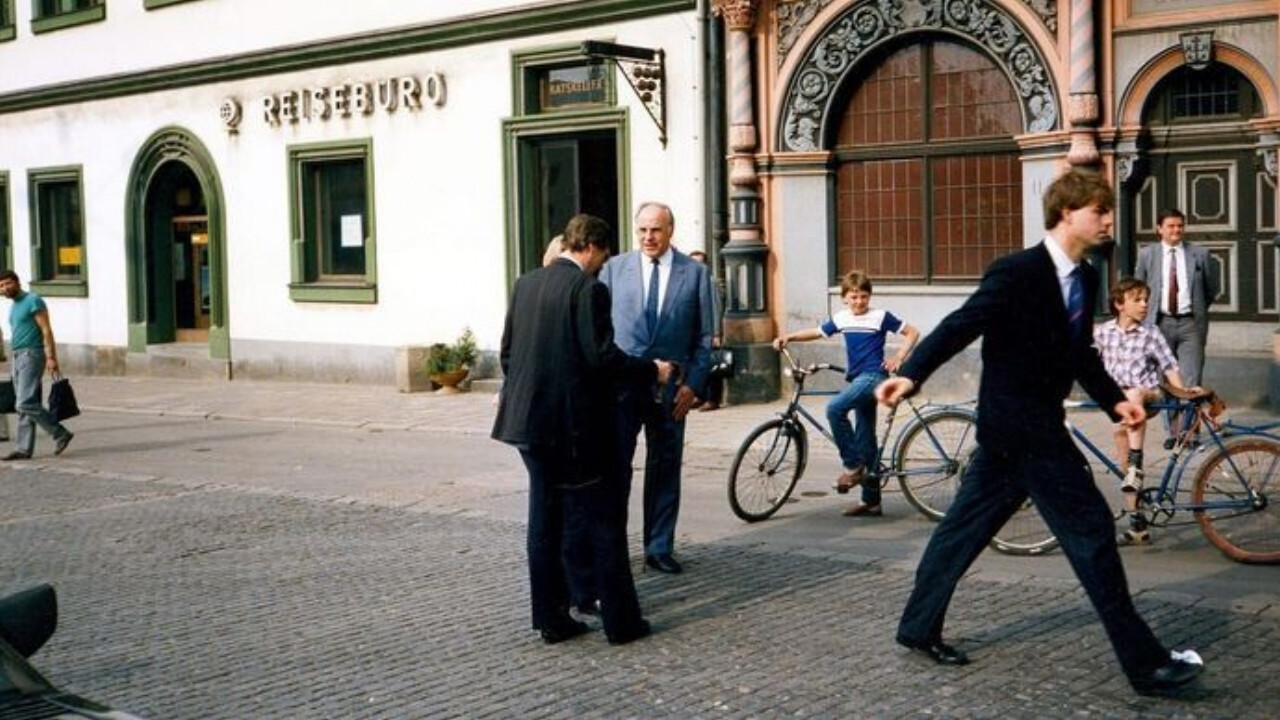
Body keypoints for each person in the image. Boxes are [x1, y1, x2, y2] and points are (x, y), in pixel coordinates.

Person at [876, 170, 1203, 696]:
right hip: (1023, 428)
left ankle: (917, 626)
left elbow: (1080, 354)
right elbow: (961, 324)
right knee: (1093, 531)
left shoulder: (1087, 277)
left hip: (1019, 433)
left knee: (962, 530)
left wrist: (1115, 401)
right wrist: (911, 374)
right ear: (1067, 213)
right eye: (1100, 211)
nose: (1109, 220)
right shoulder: (1017, 271)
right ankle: (1146, 665)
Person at [492, 214, 670, 646]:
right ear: (590, 247)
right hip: (574, 431)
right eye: (602, 257)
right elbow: (602, 357)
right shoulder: (588, 289)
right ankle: (622, 623)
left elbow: (508, 354)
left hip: (527, 425)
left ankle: (551, 619)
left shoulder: (526, 284)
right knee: (603, 519)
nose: (601, 266)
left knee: (543, 522)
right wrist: (652, 370)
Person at [599, 202, 715, 575]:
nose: (648, 237)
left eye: (656, 230)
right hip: (624, 387)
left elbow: (705, 337)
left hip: (673, 390)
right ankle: (613, 546)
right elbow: (600, 330)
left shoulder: (695, 274)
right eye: (642, 230)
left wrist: (694, 385)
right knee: (617, 467)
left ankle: (659, 546)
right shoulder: (614, 270)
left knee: (665, 466)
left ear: (670, 231)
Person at [773, 270, 918, 517]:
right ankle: (871, 501)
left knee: (834, 408)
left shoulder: (880, 316)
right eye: (854, 297)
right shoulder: (842, 318)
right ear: (845, 299)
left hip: (873, 377)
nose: (859, 301)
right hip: (858, 379)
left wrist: (899, 357)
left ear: (869, 296)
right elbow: (817, 332)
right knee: (865, 438)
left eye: (863, 296)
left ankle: (853, 466)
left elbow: (912, 332)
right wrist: (789, 337)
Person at [1094, 277, 1199, 545]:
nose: (1144, 305)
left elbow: (1169, 365)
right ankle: (1137, 525)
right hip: (1120, 405)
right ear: (1119, 304)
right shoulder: (1103, 332)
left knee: (1135, 395)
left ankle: (1137, 462)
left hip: (1148, 395)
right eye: (1137, 300)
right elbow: (1086, 363)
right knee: (1125, 466)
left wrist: (1183, 391)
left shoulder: (1151, 332)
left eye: (1146, 300)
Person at [1134, 209, 1217, 388]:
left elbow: (1210, 289)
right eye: (1170, 226)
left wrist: (1197, 308)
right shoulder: (1147, 254)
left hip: (1191, 325)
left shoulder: (1200, 254)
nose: (1176, 230)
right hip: (1159, 323)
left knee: (1191, 380)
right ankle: (1169, 408)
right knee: (1162, 380)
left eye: (1180, 226)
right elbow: (1138, 290)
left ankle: (1188, 407)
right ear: (1159, 229)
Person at [0, 270, 73, 461]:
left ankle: (60, 433)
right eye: (1, 286)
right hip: (17, 356)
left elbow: (46, 330)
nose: (5, 288)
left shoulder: (33, 300)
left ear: (17, 282)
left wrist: (51, 357)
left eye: (8, 283)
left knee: (24, 402)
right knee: (24, 404)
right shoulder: (14, 306)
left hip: (32, 354)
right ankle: (23, 449)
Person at [688, 250, 724, 412]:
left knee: (713, 366)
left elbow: (716, 309)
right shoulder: (690, 282)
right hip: (695, 331)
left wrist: (716, 333)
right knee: (698, 365)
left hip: (708, 331)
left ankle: (712, 399)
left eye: (699, 262)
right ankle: (699, 396)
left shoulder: (710, 282)